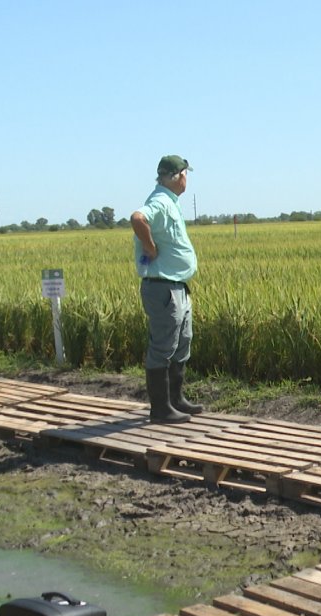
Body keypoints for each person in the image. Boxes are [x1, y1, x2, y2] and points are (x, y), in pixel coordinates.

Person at [129, 155, 204, 424]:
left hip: (176, 287)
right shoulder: (160, 201)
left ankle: (176, 400)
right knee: (163, 347)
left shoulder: (170, 201)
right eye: (186, 174)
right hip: (163, 289)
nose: (187, 179)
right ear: (179, 176)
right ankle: (160, 408)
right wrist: (150, 248)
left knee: (181, 344)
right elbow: (138, 219)